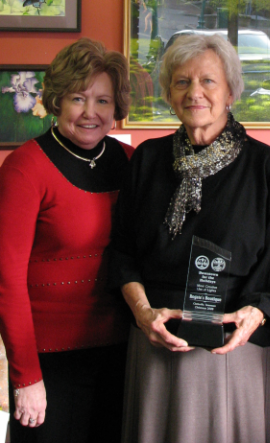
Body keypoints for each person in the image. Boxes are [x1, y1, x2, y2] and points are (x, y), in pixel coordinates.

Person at [108, 34, 270, 443]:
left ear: (231, 90)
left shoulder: (267, 166)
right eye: (181, 82)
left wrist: (253, 318)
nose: (195, 92)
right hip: (155, 342)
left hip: (232, 349)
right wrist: (143, 313)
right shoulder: (146, 159)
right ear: (168, 94)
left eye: (208, 81)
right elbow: (122, 252)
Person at [0, 38, 134, 443]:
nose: (91, 113)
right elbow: (6, 283)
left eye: (103, 101)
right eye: (78, 98)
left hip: (122, 355)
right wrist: (25, 377)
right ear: (57, 101)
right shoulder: (24, 169)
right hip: (48, 363)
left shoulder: (130, 163)